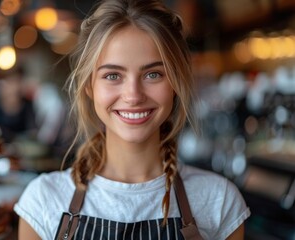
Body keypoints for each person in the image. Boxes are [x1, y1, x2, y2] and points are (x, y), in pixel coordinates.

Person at [14, 0, 250, 239]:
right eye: (113, 75)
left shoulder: (218, 201)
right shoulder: (43, 201)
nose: (133, 96)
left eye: (153, 74)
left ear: (175, 84)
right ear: (89, 86)